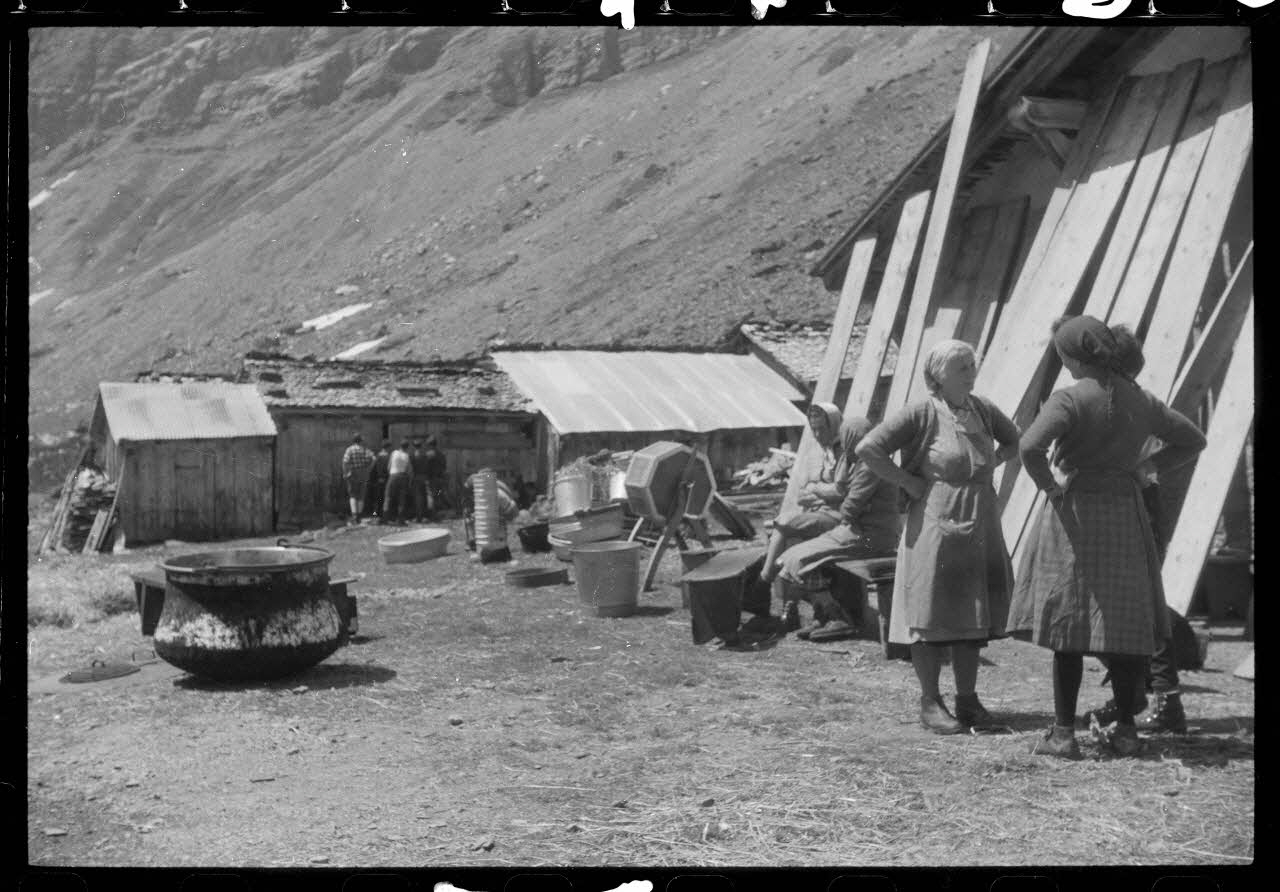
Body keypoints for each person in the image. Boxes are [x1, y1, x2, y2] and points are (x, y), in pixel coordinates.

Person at [1007, 316, 1206, 759]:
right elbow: (1193, 440)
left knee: (1070, 624)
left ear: (1075, 357)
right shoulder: (1140, 399)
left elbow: (1028, 447)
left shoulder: (1069, 399)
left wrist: (1051, 487)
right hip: (1124, 510)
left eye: (1063, 357)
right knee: (1122, 622)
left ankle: (1063, 734)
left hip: (1076, 513)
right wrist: (1146, 468)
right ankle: (1128, 731)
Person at [855, 339, 1020, 734]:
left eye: (971, 365)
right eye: (961, 367)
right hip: (934, 521)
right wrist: (908, 482)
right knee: (929, 611)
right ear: (938, 376)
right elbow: (869, 448)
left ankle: (968, 700)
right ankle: (930, 701)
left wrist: (989, 464)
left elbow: (1014, 440)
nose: (971, 373)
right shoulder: (921, 412)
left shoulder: (981, 409)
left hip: (979, 521)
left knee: (971, 612)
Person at [772, 416, 902, 642]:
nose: (842, 444)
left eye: (845, 440)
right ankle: (825, 614)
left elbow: (849, 509)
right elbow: (843, 492)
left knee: (799, 559)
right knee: (792, 558)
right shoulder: (863, 460)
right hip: (861, 531)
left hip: (872, 536)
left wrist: (823, 496)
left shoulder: (870, 464)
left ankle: (838, 617)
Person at [759, 403, 863, 589]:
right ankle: (788, 598)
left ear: (834, 425)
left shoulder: (847, 452)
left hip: (841, 519)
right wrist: (823, 492)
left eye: (821, 429)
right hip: (819, 513)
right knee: (781, 531)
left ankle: (763, 582)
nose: (817, 435)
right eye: (814, 430)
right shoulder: (818, 453)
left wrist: (816, 489)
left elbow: (844, 493)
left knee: (784, 524)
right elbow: (801, 494)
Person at [341, 433, 376, 524]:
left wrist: (346, 473)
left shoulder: (350, 450)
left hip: (353, 472)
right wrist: (369, 469)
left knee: (353, 495)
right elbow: (374, 458)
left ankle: (354, 516)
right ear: (360, 441)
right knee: (361, 495)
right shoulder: (365, 449)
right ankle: (359, 515)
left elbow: (345, 461)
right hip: (363, 473)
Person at [382, 439, 414, 525]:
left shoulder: (394, 453)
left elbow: (389, 467)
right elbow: (409, 470)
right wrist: (410, 481)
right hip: (403, 476)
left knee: (388, 496)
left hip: (393, 476)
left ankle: (385, 518)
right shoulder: (406, 456)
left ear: (400, 446)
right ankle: (400, 519)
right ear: (407, 447)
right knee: (401, 499)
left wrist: (391, 474)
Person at [423, 435, 449, 519]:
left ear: (429, 445)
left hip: (431, 479)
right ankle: (439, 514)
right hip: (440, 478)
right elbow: (445, 467)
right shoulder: (441, 454)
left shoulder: (428, 455)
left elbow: (426, 467)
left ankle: (432, 515)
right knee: (439, 496)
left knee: (431, 496)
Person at [365, 439, 391, 521]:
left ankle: (376, 514)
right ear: (389, 447)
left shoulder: (377, 457)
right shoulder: (389, 457)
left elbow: (373, 470)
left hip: (379, 481)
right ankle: (386, 514)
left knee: (378, 498)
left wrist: (372, 480)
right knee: (386, 497)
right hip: (387, 480)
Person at [410, 440, 431, 523]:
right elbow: (428, 466)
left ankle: (419, 517)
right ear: (421, 446)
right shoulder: (424, 455)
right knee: (424, 496)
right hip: (424, 477)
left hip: (416, 477)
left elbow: (411, 467)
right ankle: (425, 515)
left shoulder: (413, 455)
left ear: (414, 446)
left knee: (418, 498)